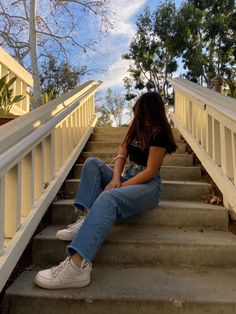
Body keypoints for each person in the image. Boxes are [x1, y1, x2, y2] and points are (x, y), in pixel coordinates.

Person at [35, 91, 177, 289]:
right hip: (127, 175)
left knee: (109, 198)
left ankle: (77, 267)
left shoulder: (159, 132)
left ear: (153, 112)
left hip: (148, 186)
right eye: (138, 114)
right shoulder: (135, 127)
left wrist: (120, 187)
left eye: (144, 114)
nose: (140, 118)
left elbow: (151, 172)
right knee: (92, 163)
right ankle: (86, 218)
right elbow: (121, 155)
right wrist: (117, 178)